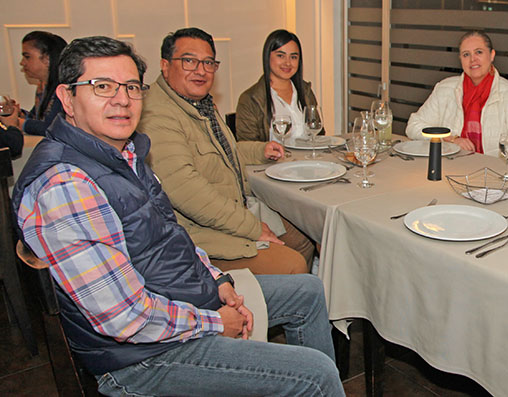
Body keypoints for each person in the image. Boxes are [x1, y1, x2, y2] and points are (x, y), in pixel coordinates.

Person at [12, 35, 343, 396]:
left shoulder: (126, 156)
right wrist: (214, 322)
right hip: (139, 359)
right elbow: (125, 320)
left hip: (176, 298)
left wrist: (217, 279)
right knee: (316, 374)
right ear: (67, 98)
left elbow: (172, 235)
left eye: (131, 87)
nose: (121, 99)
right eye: (102, 86)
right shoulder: (66, 185)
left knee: (309, 291)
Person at [139, 28, 314, 275]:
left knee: (305, 236)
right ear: (165, 65)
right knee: (292, 263)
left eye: (208, 62)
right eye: (189, 61)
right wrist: (251, 227)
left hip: (232, 209)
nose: (201, 70)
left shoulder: (198, 104)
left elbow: (223, 151)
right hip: (197, 234)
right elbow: (188, 193)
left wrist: (260, 150)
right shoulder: (157, 114)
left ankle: (289, 296)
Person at [406, 30, 508, 157]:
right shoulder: (444, 89)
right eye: (466, 54)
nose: (473, 59)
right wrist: (451, 139)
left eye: (479, 52)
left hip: (493, 170)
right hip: (450, 166)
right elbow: (413, 126)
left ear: (492, 55)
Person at [235, 29, 321, 144]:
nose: (288, 63)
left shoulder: (306, 92)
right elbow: (248, 147)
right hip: (273, 157)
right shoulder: (250, 99)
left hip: (309, 155)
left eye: (293, 57)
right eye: (281, 56)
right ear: (267, 57)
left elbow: (318, 134)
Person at [0, 31, 67, 136]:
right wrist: (18, 113)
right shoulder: (43, 86)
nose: (22, 62)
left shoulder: (64, 90)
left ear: (47, 59)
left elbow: (54, 129)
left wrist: (18, 123)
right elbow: (36, 118)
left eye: (27, 57)